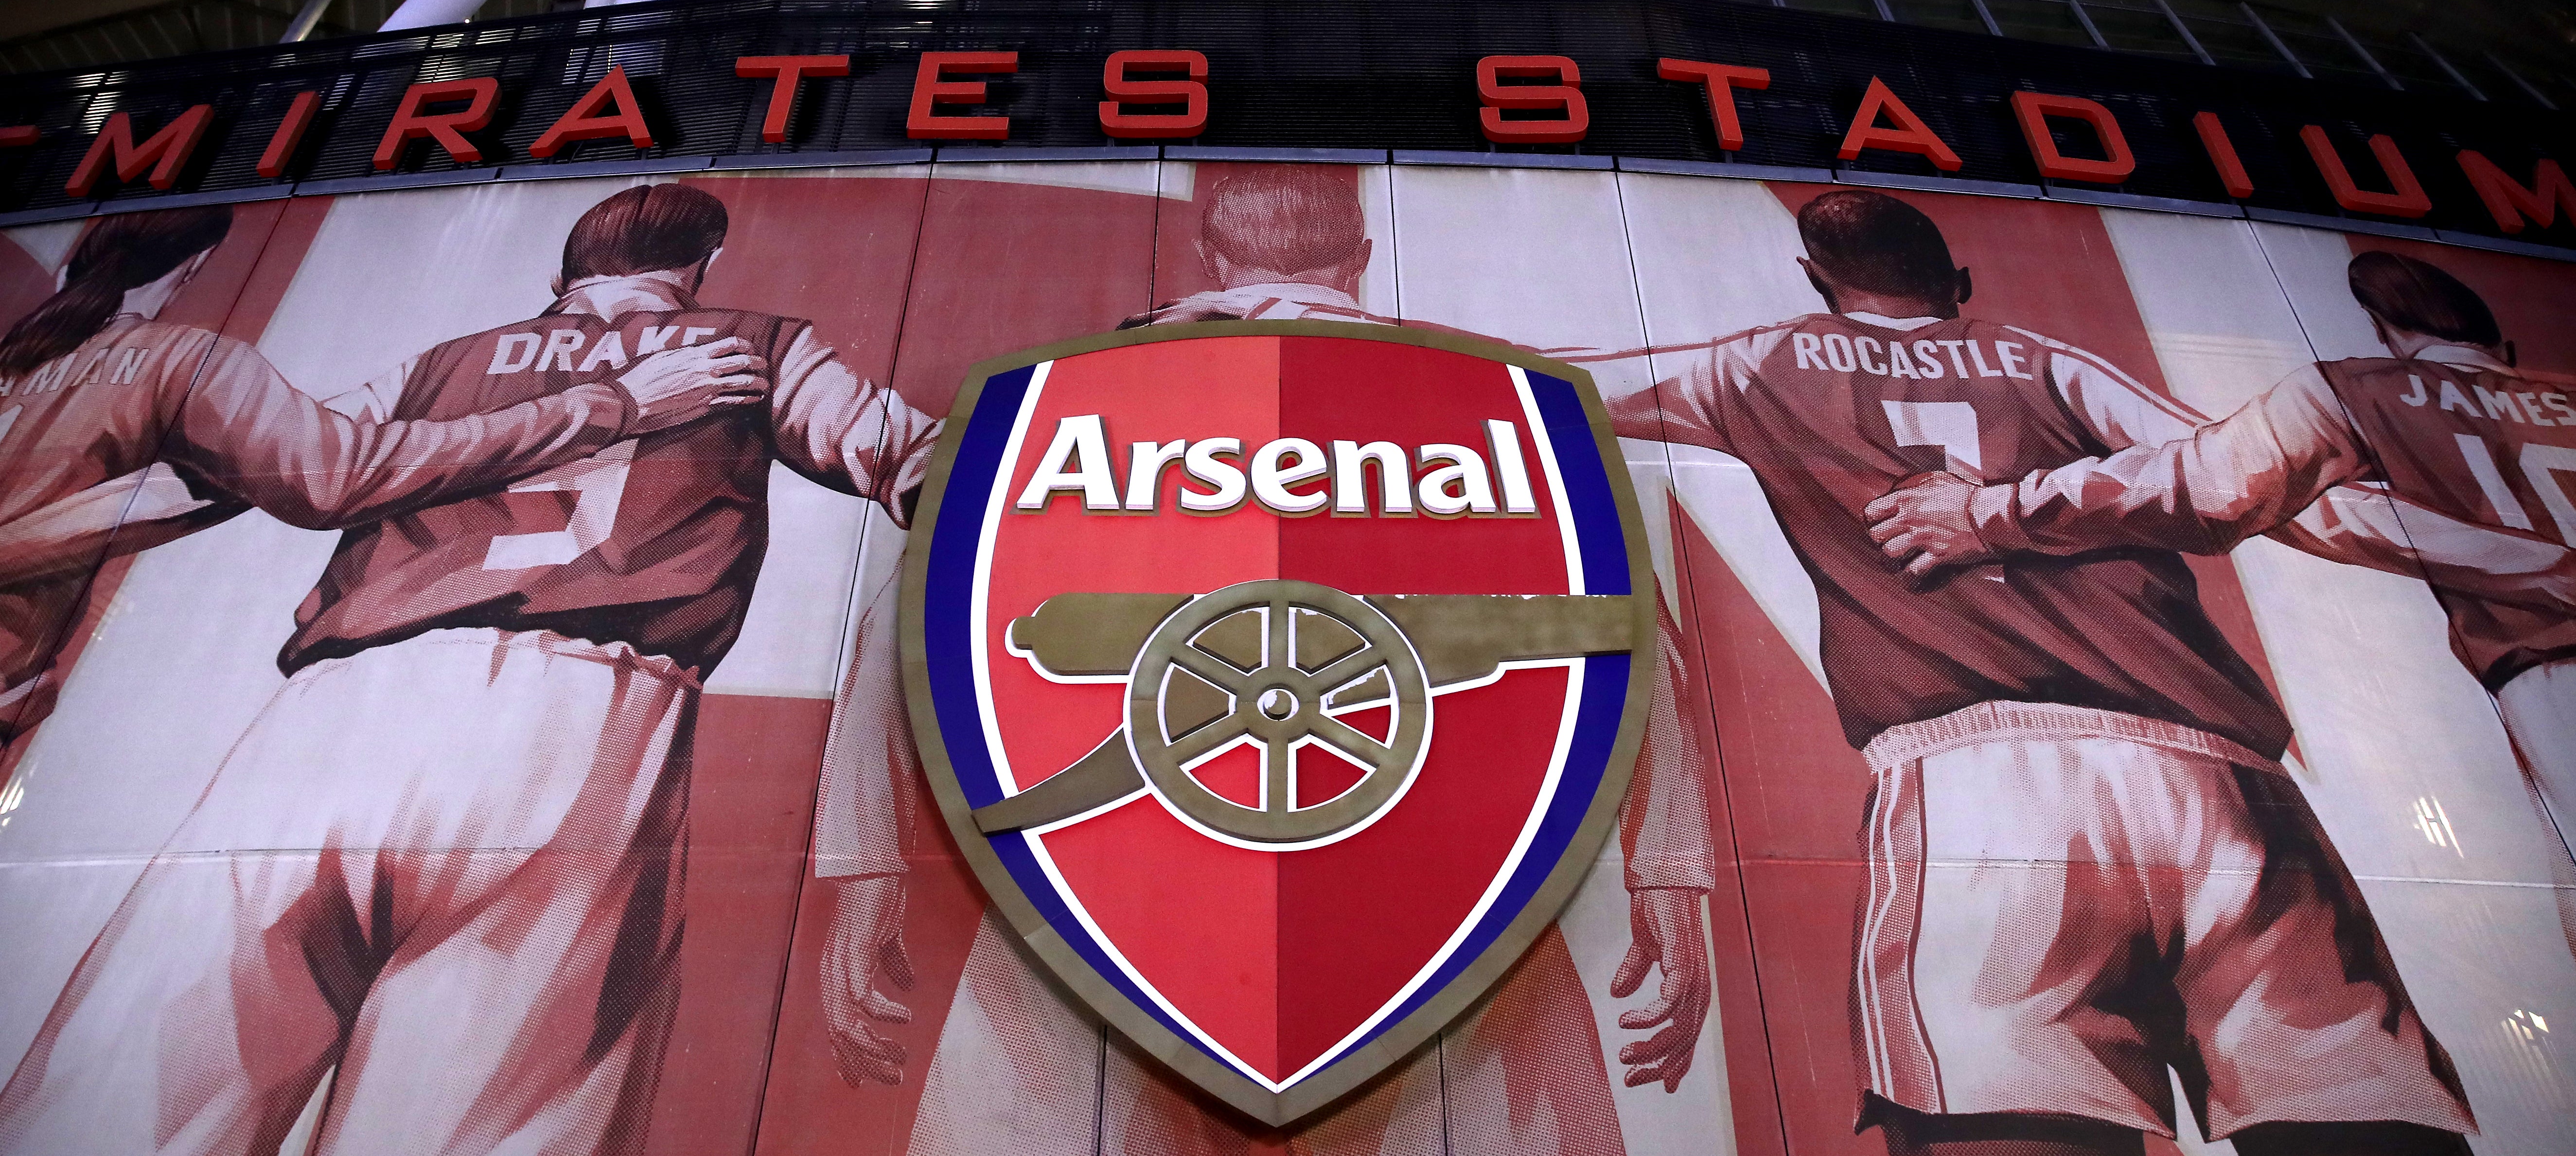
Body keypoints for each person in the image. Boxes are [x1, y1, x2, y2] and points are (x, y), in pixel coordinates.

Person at [0, 183, 940, 1156]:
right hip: (581, 726)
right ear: (699, 272)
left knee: (124, 1107)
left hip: (331, 718)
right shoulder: (748, 346)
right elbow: (914, 457)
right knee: (482, 1125)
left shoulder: (446, 361)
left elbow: (199, 490)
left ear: (559, 277)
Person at [812, 164, 1715, 1156]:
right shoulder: (1497, 400)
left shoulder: (1044, 402)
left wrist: (865, 871)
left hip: (1092, 898)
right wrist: (1668, 873)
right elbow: (1628, 631)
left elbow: (911, 627)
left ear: (1207, 251)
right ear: (1362, 259)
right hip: (1448, 893)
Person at [1558, 188, 2482, 1156]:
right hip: (2225, 779)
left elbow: (1557, 382)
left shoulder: (1755, 362)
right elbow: (2230, 476)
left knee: (2014, 1120)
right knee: (2361, 1121)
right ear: (1957, 284)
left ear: (1817, 283)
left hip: (1983, 787)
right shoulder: (2048, 360)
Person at [1864, 249, 2576, 878]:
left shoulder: (2353, 386)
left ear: (2387, 333)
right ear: (2503, 346)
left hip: (2550, 672)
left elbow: (2211, 486)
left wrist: (1992, 513)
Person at [0, 204, 762, 762]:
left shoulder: (28, 368)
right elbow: (341, 474)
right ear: (193, 269)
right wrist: (617, 404)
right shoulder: (180, 361)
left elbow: (173, 496)